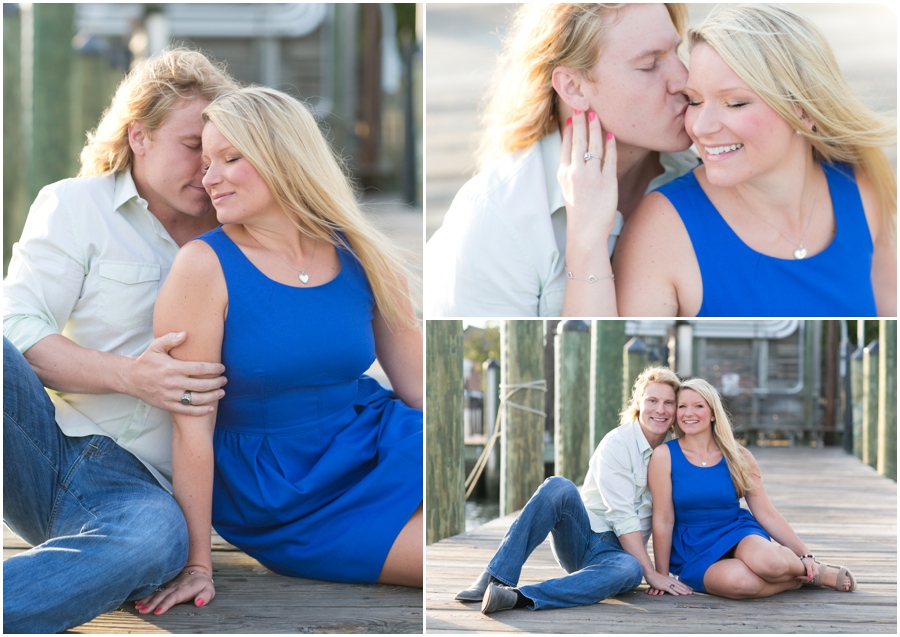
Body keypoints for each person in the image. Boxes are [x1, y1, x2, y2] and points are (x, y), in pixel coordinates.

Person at [134, 86, 423, 616]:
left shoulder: (362, 252)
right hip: (281, 492)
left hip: (376, 440)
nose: (209, 176)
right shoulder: (203, 267)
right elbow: (190, 426)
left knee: (478, 526)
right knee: (445, 558)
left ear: (284, 158)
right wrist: (198, 562)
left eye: (230, 158)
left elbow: (422, 389)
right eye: (205, 160)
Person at [2, 49, 238, 633]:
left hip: (142, 490)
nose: (207, 170)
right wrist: (131, 376)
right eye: (191, 147)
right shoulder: (74, 206)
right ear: (139, 136)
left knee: (157, 540)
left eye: (219, 154)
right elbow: (19, 330)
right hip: (50, 449)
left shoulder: (240, 228)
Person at [564, 3, 896, 316]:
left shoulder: (861, 188)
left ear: (803, 109)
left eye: (735, 103)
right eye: (693, 101)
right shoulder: (662, 230)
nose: (700, 127)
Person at [424, 3, 699, 317]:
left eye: (677, 53)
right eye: (650, 65)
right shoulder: (495, 220)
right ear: (573, 87)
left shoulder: (704, 178)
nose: (684, 80)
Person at [454, 366, 692, 614]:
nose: (660, 410)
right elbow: (622, 517)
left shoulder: (674, 452)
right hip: (583, 538)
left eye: (669, 403)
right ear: (639, 403)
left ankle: (519, 598)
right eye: (652, 400)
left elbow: (667, 517)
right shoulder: (618, 443)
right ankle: (495, 577)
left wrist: (657, 572)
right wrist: (651, 573)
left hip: (620, 557)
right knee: (559, 487)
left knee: (630, 571)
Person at [648, 378, 856, 599]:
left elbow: (765, 512)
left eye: (698, 406)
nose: (689, 413)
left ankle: (816, 571)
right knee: (741, 584)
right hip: (693, 548)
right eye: (682, 406)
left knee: (771, 563)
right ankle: (798, 582)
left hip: (736, 532)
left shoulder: (739, 456)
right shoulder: (664, 455)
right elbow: (663, 519)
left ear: (712, 413)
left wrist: (805, 553)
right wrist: (661, 574)